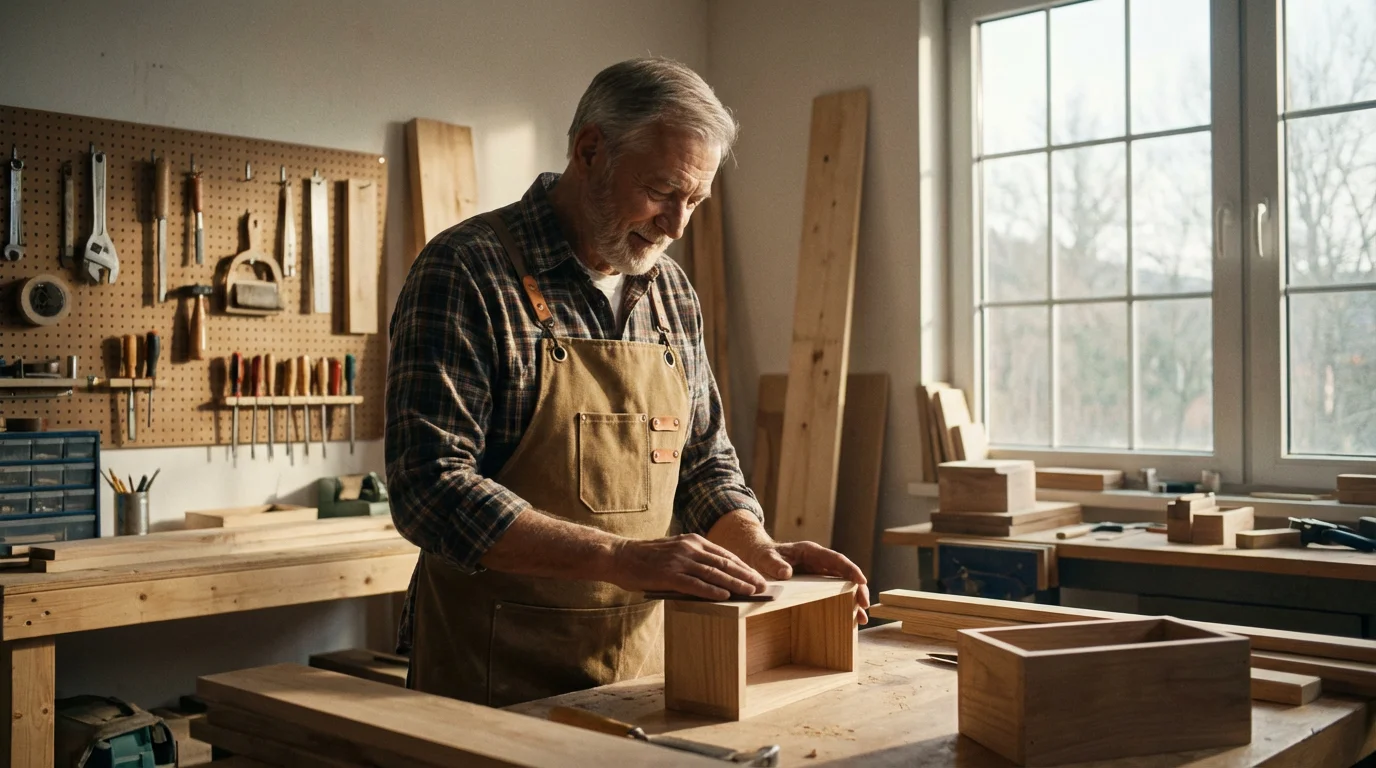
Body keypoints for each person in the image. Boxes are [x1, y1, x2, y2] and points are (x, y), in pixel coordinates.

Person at [386, 57, 869, 708]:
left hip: (642, 681)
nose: (675, 225)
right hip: (490, 678)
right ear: (591, 150)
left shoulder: (670, 293)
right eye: (664, 190)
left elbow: (702, 464)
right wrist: (622, 559)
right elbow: (430, 489)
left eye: (694, 201)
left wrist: (756, 551)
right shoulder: (467, 271)